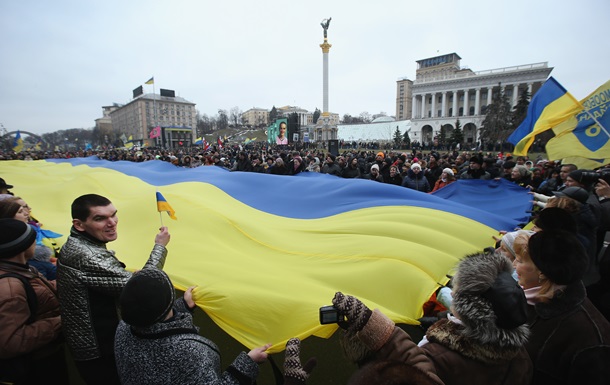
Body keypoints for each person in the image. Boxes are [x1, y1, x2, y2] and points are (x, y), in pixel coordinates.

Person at [57, 194, 171, 385]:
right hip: (100, 351)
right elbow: (143, 287)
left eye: (113, 215)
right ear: (79, 224)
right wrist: (160, 246)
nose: (112, 223)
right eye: (100, 218)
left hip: (93, 344)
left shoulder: (79, 244)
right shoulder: (87, 256)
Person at [115, 268, 270, 384]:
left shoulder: (123, 328)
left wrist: (182, 307)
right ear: (169, 301)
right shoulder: (189, 351)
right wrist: (247, 364)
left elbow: (153, 322)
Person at [514, 208, 610, 385]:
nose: (513, 265)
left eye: (520, 261)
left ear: (541, 272)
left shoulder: (591, 339)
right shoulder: (525, 300)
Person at [418, 251, 532, 385]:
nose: (453, 293)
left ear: (470, 309)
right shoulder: (521, 357)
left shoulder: (436, 357)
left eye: (457, 288)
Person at [0, 218, 68, 384]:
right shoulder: (9, 287)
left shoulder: (22, 268)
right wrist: (60, 321)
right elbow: (10, 342)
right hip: (36, 368)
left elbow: (38, 292)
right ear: (23, 247)